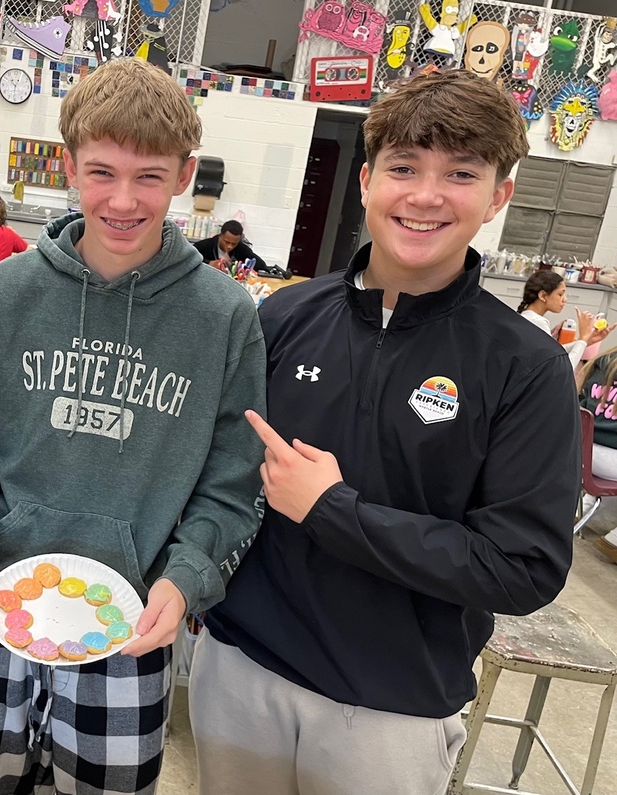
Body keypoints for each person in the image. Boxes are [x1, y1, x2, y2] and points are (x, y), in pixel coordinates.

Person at [190, 69, 580, 795]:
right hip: (242, 670)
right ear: (368, 180)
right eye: (404, 167)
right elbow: (221, 475)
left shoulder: (525, 366)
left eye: (460, 173)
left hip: (390, 712)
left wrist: (335, 510)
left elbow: (523, 567)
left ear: (498, 195)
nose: (425, 195)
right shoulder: (283, 318)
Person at [0, 57, 265, 795]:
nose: (123, 199)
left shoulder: (224, 317)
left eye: (149, 176)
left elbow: (233, 480)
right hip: (5, 617)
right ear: (68, 165)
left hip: (132, 627)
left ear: (185, 175)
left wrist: (186, 578)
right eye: (101, 172)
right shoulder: (12, 289)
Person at [517, 269, 611, 370]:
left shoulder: (528, 317)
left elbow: (556, 353)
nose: (565, 299)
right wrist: (583, 338)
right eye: (560, 294)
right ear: (543, 296)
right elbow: (564, 368)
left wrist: (586, 341)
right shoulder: (538, 323)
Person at [577, 350, 617, 564]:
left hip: (582, 453)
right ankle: (615, 541)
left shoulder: (601, 362)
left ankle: (585, 503)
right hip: (611, 460)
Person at [191, 218, 267, 271]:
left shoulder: (242, 248)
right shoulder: (204, 246)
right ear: (220, 235)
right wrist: (208, 263)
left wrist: (235, 266)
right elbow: (188, 261)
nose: (229, 246)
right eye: (226, 242)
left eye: (234, 244)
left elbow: (262, 266)